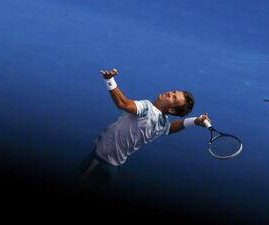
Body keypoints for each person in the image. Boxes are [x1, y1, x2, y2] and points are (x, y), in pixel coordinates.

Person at [76, 68, 210, 194]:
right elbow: (170, 129)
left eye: (174, 98)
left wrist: (109, 80)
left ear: (172, 110)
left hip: (99, 161)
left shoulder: (147, 109)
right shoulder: (162, 122)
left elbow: (122, 104)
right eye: (174, 92)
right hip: (114, 167)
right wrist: (194, 121)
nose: (170, 93)